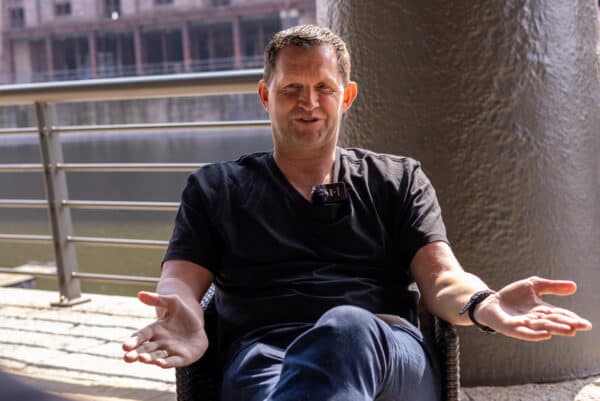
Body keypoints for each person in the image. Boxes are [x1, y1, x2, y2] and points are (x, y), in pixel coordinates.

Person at [122, 25, 592, 401]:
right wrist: (181, 311)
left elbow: (442, 280)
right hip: (265, 359)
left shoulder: (397, 180)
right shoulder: (216, 188)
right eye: (292, 89)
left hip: (388, 352)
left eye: (323, 87)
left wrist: (484, 304)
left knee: (346, 327)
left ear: (346, 97)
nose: (308, 102)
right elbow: (179, 282)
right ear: (265, 96)